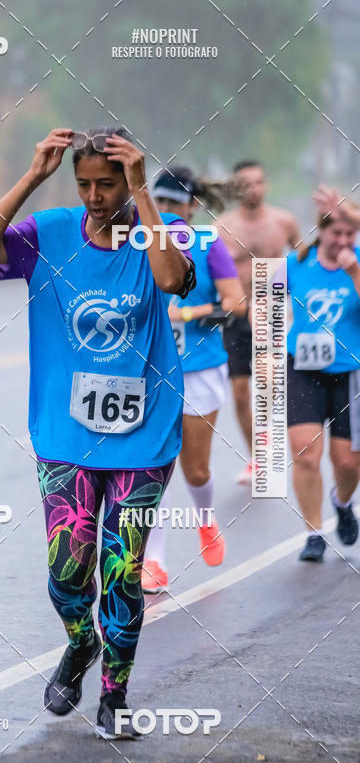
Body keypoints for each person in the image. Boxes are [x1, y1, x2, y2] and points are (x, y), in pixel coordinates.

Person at [0, 126, 195, 738]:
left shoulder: (155, 235)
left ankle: (114, 698)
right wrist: (34, 175)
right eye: (83, 183)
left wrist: (143, 191)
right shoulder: (50, 233)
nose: (94, 195)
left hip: (143, 438)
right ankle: (80, 642)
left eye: (107, 183)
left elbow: (172, 280)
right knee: (69, 575)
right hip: (66, 437)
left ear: (127, 180)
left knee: (120, 571)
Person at [141, 167, 246, 593]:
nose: (166, 211)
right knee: (153, 469)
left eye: (174, 204)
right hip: (150, 372)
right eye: (159, 203)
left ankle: (205, 519)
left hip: (200, 368)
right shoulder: (140, 240)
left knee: (195, 469)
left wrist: (186, 313)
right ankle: (154, 559)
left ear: (191, 206)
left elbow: (235, 304)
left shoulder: (207, 243)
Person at [216, 160, 301, 484]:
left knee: (266, 384)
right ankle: (255, 456)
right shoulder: (222, 227)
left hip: (272, 311)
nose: (253, 190)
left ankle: (268, 452)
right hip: (235, 314)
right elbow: (213, 272)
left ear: (265, 185)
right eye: (245, 184)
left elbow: (304, 261)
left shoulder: (284, 221)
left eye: (258, 182)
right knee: (239, 391)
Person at [286, 200, 360, 562]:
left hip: (349, 372)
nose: (344, 240)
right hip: (303, 368)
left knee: (348, 463)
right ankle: (313, 532)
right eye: (337, 232)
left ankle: (342, 502)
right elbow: (264, 302)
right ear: (321, 231)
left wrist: (356, 273)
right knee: (304, 452)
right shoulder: (296, 263)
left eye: (351, 233)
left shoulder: (358, 259)